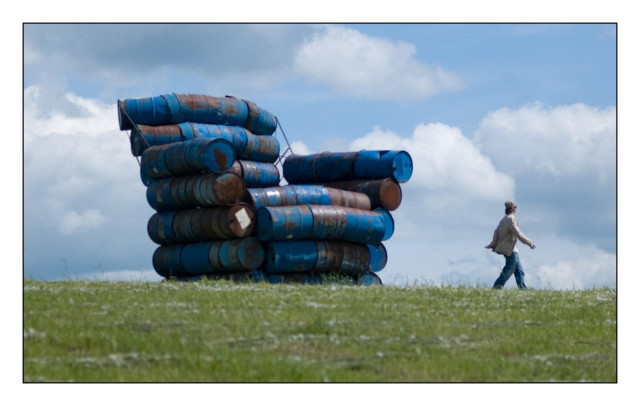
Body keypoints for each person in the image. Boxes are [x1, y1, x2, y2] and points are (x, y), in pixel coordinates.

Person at [485, 200, 535, 289]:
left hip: (511, 249)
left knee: (519, 272)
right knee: (509, 270)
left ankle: (523, 291)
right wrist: (530, 242)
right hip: (511, 250)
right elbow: (518, 233)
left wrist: (493, 244)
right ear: (514, 208)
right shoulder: (511, 219)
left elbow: (496, 232)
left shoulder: (503, 220)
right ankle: (496, 288)